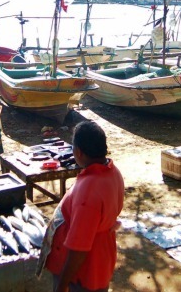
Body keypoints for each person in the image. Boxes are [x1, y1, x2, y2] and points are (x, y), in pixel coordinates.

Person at [37, 121, 125, 292]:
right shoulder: (112, 171)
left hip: (84, 272)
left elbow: (79, 248)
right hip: (102, 258)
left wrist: (62, 285)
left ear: (78, 152)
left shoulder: (89, 191)